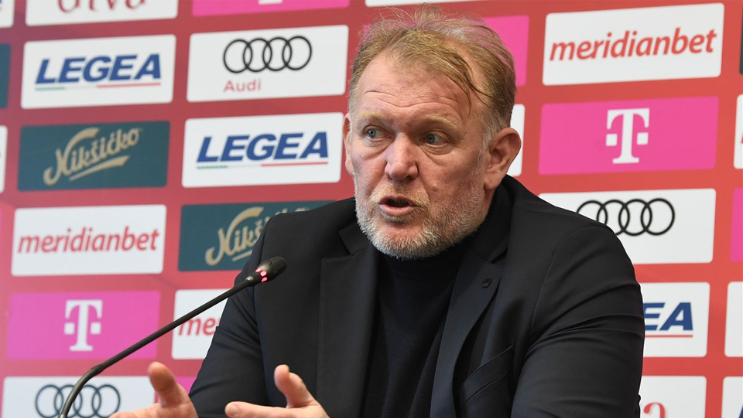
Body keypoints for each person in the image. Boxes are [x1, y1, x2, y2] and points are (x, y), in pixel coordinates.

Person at [112, 6, 644, 418]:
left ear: (495, 157)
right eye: (375, 133)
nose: (397, 165)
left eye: (433, 138)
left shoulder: (571, 266)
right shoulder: (288, 256)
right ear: (348, 140)